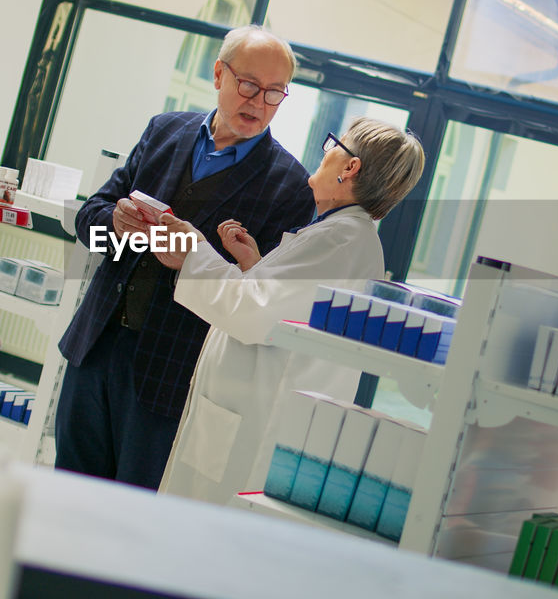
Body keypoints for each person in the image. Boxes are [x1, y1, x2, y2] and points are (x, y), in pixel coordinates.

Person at [53, 25, 316, 489]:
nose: (258, 103)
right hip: (96, 348)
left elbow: (263, 301)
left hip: (173, 376)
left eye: (275, 93)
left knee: (132, 516)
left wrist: (208, 261)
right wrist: (114, 223)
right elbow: (89, 215)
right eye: (249, 85)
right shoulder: (164, 131)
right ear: (219, 73)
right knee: (66, 493)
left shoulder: (290, 186)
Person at [153, 118, 425, 504]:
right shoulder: (341, 236)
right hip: (248, 417)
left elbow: (253, 314)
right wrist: (254, 267)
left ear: (350, 167)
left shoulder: (340, 241)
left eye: (335, 144)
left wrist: (194, 254)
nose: (326, 151)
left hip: (252, 427)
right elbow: (281, 309)